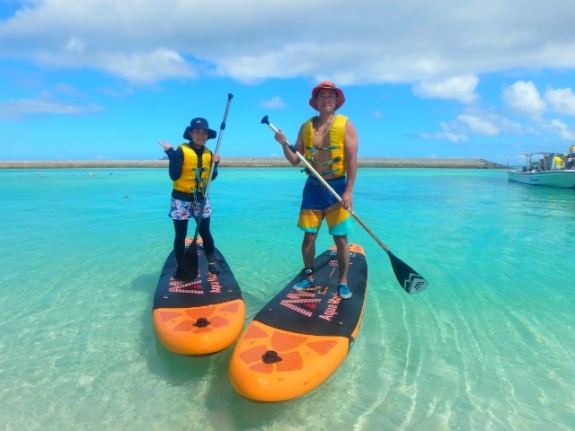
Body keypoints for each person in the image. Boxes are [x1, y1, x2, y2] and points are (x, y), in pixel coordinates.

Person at [274, 81, 358, 299]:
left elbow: (351, 161)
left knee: (340, 238)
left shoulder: (346, 125)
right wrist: (283, 144)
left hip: (336, 186)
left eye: (331, 96)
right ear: (316, 102)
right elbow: (295, 160)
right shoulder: (306, 127)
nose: (327, 99)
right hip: (312, 188)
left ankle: (343, 281)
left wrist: (348, 191)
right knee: (309, 237)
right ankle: (309, 275)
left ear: (337, 101)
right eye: (322, 96)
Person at [159, 117, 220, 281]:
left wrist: (216, 164)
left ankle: (211, 261)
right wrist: (171, 154)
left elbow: (212, 177)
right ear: (190, 133)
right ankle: (182, 264)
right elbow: (174, 175)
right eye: (197, 132)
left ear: (208, 136)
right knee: (181, 234)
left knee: (205, 231)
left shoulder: (210, 154)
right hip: (181, 199)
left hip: (201, 199)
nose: (201, 135)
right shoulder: (181, 150)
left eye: (204, 132)